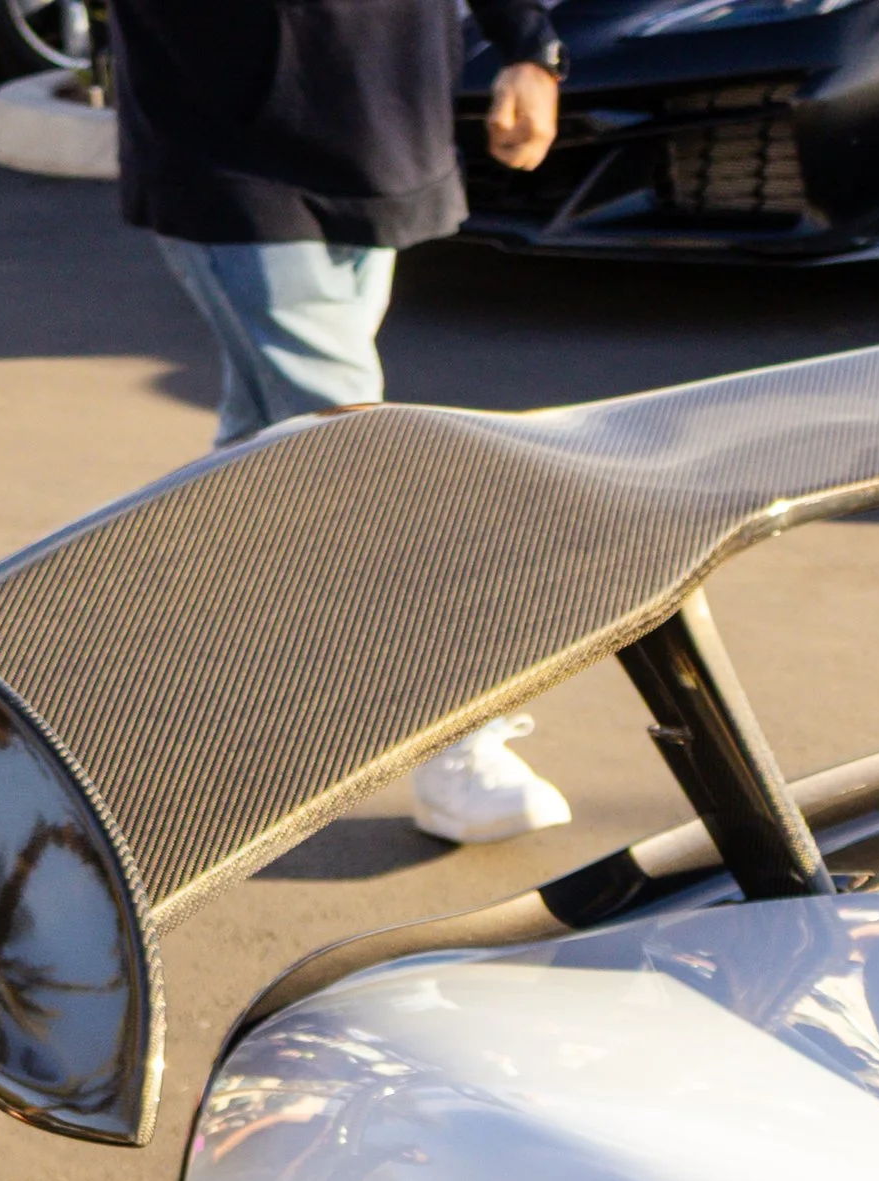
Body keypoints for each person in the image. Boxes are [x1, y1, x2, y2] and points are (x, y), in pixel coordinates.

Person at [107, 0, 572, 847]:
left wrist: (529, 47)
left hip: (383, 126)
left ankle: (152, 689)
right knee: (360, 455)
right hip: (226, 146)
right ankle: (453, 751)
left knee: (263, 448)